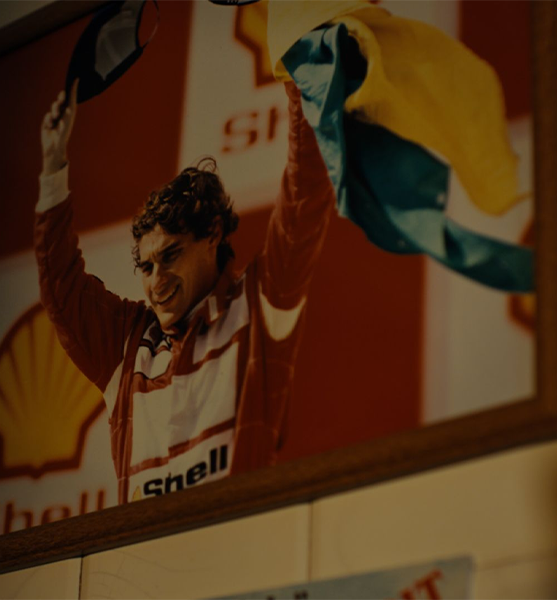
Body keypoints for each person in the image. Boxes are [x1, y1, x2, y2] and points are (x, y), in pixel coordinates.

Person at [35, 80, 334, 504]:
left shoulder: (257, 301)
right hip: (148, 550)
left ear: (212, 234)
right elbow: (61, 289)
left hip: (239, 542)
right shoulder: (126, 346)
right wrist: (52, 169)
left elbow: (305, 195)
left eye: (171, 256)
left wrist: (297, 76)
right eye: (146, 266)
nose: (156, 281)